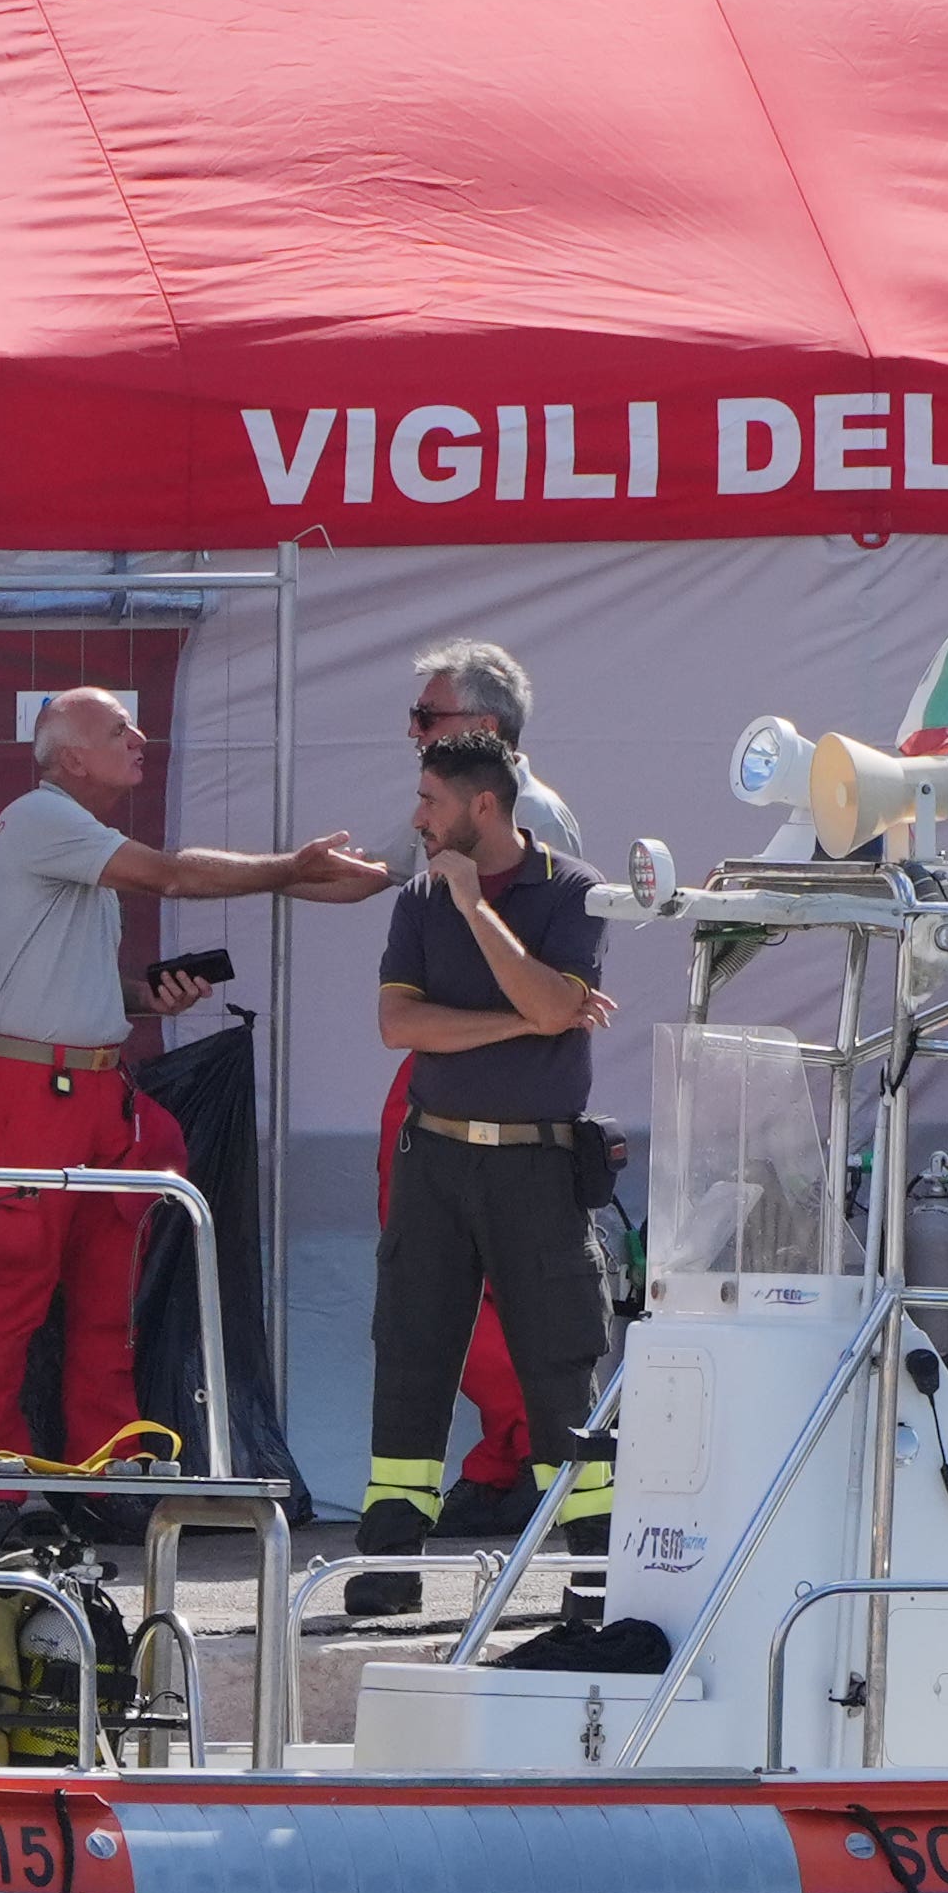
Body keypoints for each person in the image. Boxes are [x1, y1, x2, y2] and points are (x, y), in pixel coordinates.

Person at [0, 686, 383, 1491]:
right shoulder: (42, 817)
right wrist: (291, 868)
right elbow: (175, 878)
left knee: (103, 1302)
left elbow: (56, 972)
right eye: (120, 729)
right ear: (72, 755)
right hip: (32, 1093)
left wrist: (141, 998)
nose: (141, 735)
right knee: (18, 1292)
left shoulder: (70, 831)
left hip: (82, 1090)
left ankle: (108, 1474)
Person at [363, 734, 617, 1557]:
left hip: (537, 1163)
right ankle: (391, 1557)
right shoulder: (417, 899)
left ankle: (591, 1568)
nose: (417, 818)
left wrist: (477, 906)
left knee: (558, 1362)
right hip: (433, 1159)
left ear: (482, 806)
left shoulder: (574, 892)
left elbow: (553, 1000)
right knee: (412, 1352)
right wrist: (526, 1022)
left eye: (431, 800)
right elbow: (400, 1025)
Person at [382, 640, 578, 1518]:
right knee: (422, 1304)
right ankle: (475, 1475)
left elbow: (552, 994)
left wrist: (519, 1017)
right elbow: (400, 1017)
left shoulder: (536, 828)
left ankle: (516, 1461)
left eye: (429, 718)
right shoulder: (454, 817)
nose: (413, 732)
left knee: (517, 1301)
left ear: (483, 734)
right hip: (441, 1086)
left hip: (508, 1103)